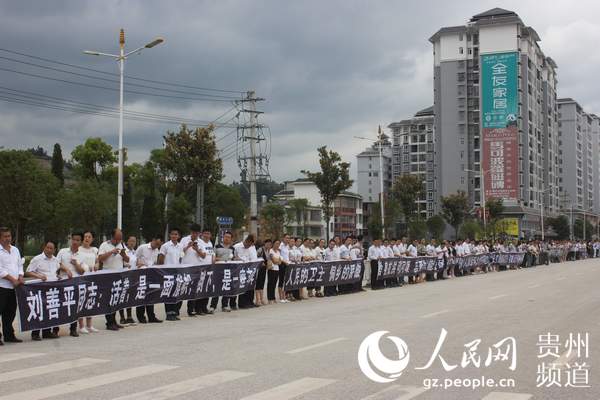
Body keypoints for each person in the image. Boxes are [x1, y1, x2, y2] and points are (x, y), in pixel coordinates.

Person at [25, 240, 60, 341]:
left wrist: (57, 277)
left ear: (54, 250)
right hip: (40, 289)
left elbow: (55, 272)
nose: (49, 250)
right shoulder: (37, 259)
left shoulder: (55, 260)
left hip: (52, 289)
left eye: (51, 248)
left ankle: (47, 332)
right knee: (39, 310)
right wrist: (39, 276)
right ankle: (35, 333)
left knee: (49, 310)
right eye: (47, 247)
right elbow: (28, 271)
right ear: (44, 248)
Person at [98, 228, 129, 331]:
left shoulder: (122, 245)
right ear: (112, 237)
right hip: (107, 275)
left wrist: (123, 254)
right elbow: (100, 258)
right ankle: (109, 322)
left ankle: (114, 321)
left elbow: (128, 260)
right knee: (108, 299)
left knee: (116, 299)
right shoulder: (104, 245)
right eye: (117, 239)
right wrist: (111, 252)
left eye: (120, 239)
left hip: (119, 276)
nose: (118, 241)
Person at [57, 232, 87, 337]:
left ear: (81, 241)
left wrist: (76, 264)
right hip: (63, 283)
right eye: (73, 239)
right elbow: (56, 263)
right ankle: (55, 329)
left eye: (78, 240)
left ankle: (73, 329)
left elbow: (82, 271)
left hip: (75, 283)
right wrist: (66, 269)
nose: (75, 242)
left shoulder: (82, 255)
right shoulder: (63, 251)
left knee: (74, 306)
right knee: (60, 305)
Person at [180, 225, 214, 318]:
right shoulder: (184, 240)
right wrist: (187, 246)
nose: (195, 234)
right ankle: (176, 311)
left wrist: (196, 249)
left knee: (194, 289)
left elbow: (203, 256)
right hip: (186, 267)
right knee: (182, 288)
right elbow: (180, 254)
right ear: (191, 232)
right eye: (193, 232)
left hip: (197, 268)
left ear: (199, 233)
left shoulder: (201, 242)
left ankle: (191, 310)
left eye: (197, 233)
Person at [0, 227, 24, 345]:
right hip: (2, 286)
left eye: (9, 236)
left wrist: (20, 276)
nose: (7, 238)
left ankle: (9, 335)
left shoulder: (15, 250)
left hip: (14, 288)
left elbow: (20, 265)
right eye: (5, 236)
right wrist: (12, 279)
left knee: (10, 312)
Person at [135, 234, 163, 324]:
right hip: (141, 275)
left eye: (159, 245)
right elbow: (134, 258)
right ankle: (141, 317)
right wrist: (139, 264)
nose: (157, 246)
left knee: (151, 296)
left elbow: (154, 263)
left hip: (151, 275)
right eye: (157, 243)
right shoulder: (142, 247)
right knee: (142, 295)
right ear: (153, 240)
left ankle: (151, 316)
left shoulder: (157, 251)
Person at [77, 231, 101, 333]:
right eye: (85, 237)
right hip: (81, 276)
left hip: (92, 278)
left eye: (89, 237)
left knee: (90, 299)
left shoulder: (94, 250)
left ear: (92, 239)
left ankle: (89, 325)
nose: (87, 238)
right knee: (81, 300)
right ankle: (81, 325)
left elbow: (98, 261)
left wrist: (97, 265)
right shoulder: (78, 249)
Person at [158, 228, 183, 319]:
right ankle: (169, 313)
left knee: (176, 292)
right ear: (170, 235)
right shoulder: (165, 246)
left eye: (176, 234)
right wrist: (162, 270)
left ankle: (175, 312)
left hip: (177, 272)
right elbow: (161, 259)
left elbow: (181, 258)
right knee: (168, 293)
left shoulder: (180, 246)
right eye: (172, 234)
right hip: (167, 272)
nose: (174, 236)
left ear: (178, 236)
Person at [234, 234, 258, 308]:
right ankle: (242, 304)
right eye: (249, 245)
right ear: (247, 241)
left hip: (249, 270)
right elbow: (233, 257)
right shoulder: (237, 246)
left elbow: (251, 258)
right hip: (239, 270)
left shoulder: (250, 248)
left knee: (250, 286)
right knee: (242, 287)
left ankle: (249, 302)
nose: (249, 247)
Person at [214, 231, 236, 312]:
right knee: (217, 289)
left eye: (229, 237)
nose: (227, 238)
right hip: (218, 270)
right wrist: (222, 259)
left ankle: (225, 305)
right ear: (223, 237)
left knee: (227, 288)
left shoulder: (232, 248)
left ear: (231, 239)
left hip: (228, 271)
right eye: (225, 237)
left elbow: (234, 258)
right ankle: (213, 306)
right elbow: (213, 258)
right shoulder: (217, 246)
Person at [119, 235, 137, 326]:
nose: (132, 243)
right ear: (127, 242)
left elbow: (134, 263)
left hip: (132, 276)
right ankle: (122, 317)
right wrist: (125, 266)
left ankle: (129, 317)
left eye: (134, 241)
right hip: (123, 276)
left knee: (129, 297)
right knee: (122, 296)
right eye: (131, 241)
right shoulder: (123, 250)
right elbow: (120, 262)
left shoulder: (134, 252)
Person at [255, 239, 271, 306]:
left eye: (270, 244)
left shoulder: (268, 251)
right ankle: (257, 300)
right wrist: (260, 262)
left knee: (262, 284)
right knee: (258, 285)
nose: (269, 245)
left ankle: (261, 299)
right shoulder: (260, 249)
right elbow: (255, 257)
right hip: (259, 269)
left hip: (264, 269)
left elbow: (267, 260)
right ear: (265, 243)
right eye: (268, 244)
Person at [267, 239, 282, 304]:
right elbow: (274, 261)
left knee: (274, 284)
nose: (277, 245)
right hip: (271, 269)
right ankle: (270, 298)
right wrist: (277, 260)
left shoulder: (278, 252)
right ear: (273, 244)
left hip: (277, 269)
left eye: (278, 244)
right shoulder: (270, 251)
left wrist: (277, 261)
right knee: (270, 284)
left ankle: (273, 297)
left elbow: (280, 262)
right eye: (276, 243)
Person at [278, 234, 291, 303]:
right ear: (283, 238)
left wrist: (288, 262)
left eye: (289, 238)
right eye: (286, 238)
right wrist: (284, 261)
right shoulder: (281, 245)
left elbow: (287, 256)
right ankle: (280, 297)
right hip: (282, 264)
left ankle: (284, 296)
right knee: (281, 281)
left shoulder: (288, 246)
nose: (287, 239)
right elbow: (279, 255)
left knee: (286, 281)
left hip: (287, 264)